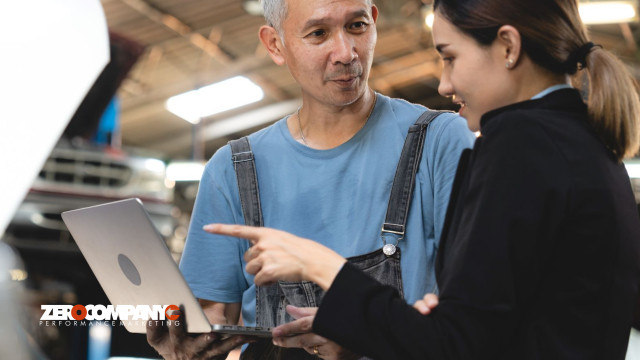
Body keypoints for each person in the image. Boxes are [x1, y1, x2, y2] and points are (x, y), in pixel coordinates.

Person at [206, 0, 640, 358]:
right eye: (318, 33)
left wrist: (322, 265)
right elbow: (483, 331)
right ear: (275, 44)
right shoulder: (590, 142)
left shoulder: (521, 142)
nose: (445, 83)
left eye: (450, 57)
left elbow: (457, 345)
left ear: (508, 46)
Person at [146, 0, 474, 358]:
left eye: (357, 26)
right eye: (318, 33)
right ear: (275, 44)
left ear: (374, 21)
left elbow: (473, 316)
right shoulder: (233, 170)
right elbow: (213, 320)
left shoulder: (440, 141)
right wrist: (186, 347)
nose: (346, 53)